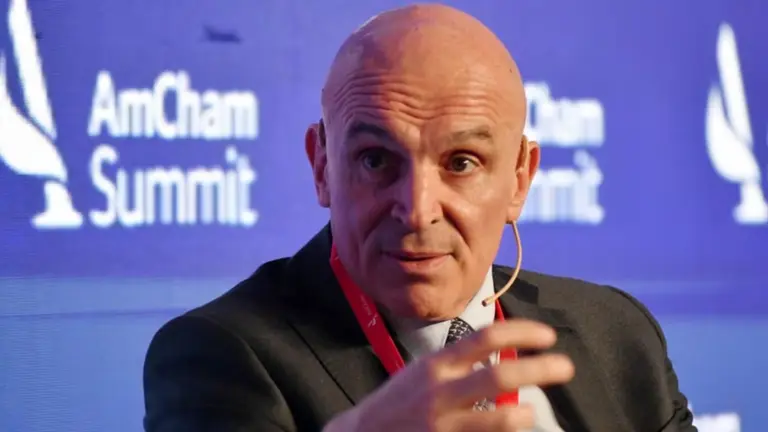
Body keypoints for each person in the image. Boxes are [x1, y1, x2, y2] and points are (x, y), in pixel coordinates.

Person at [142, 4, 696, 431]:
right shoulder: (217, 356)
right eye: (375, 160)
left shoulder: (617, 335)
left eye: (461, 162)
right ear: (322, 166)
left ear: (520, 179)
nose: (417, 210)